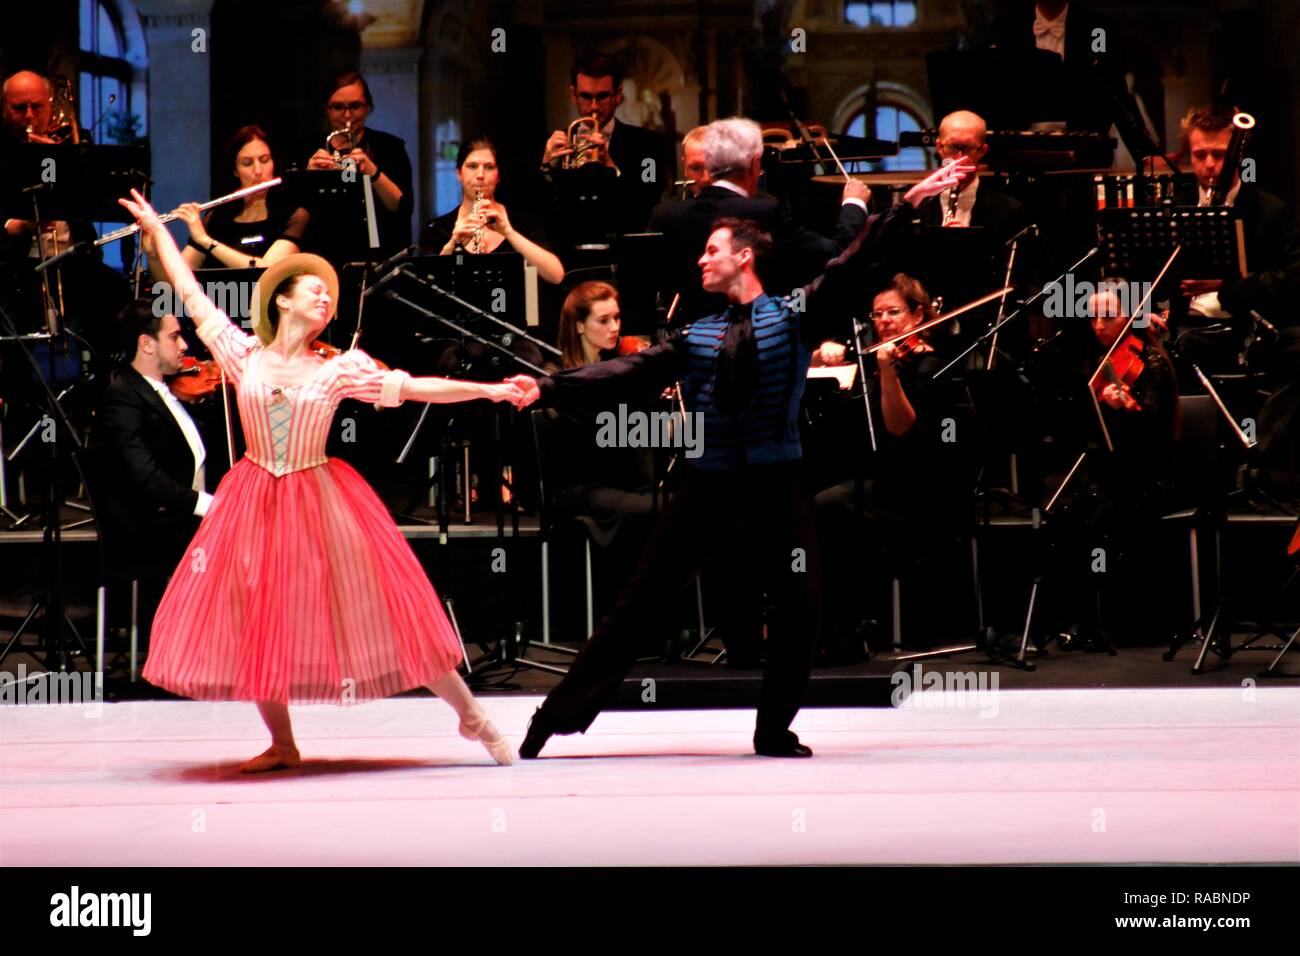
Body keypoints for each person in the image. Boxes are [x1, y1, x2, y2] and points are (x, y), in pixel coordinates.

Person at [512, 158, 968, 759]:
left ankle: (773, 727)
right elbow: (623, 371)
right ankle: (554, 718)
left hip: (778, 484)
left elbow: (856, 262)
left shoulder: (795, 314)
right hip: (707, 484)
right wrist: (547, 387)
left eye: (711, 250)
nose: (701, 260)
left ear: (744, 257)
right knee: (639, 604)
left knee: (802, 604)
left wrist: (907, 204)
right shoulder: (696, 335)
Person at [118, 187, 531, 772]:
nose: (326, 300)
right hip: (255, 495)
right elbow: (188, 291)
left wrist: (488, 389)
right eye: (316, 290)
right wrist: (155, 230)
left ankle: (471, 715)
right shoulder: (241, 354)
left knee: (385, 604)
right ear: (282, 300)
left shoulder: (340, 368)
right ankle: (283, 742)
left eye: (331, 297)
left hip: (320, 495)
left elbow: (415, 387)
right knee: (253, 614)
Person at [813, 274, 968, 656]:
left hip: (914, 490)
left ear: (917, 316)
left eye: (893, 312)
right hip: (870, 479)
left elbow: (900, 426)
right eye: (877, 314)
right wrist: (821, 357)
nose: (883, 321)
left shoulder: (930, 365)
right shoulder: (874, 358)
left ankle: (842, 629)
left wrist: (887, 372)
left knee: (827, 506)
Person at [649, 117, 873, 321]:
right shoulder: (765, 211)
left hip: (693, 344)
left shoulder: (667, 215)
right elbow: (837, 254)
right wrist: (854, 203)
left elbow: (648, 283)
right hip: (757, 340)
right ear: (755, 162)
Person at [94, 300, 212, 611]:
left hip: (182, 519)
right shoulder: (122, 399)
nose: (185, 345)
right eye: (174, 337)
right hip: (152, 531)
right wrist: (206, 504)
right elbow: (146, 477)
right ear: (146, 344)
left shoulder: (177, 391)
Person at [540, 51, 673, 241]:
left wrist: (612, 168)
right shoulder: (550, 143)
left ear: (618, 95)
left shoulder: (647, 145)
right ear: (573, 95)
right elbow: (533, 207)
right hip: (565, 253)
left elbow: (649, 199)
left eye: (602, 97)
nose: (594, 107)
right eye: (585, 96)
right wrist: (545, 165)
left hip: (621, 249)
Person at [148, 125, 308, 273]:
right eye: (247, 163)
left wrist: (206, 241)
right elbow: (177, 281)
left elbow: (268, 271)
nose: (258, 170)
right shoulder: (217, 217)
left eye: (264, 160)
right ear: (235, 170)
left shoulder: (293, 215)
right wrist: (153, 252)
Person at [420, 138, 564, 284]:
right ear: (459, 174)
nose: (480, 175)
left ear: (498, 176)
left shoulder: (523, 222)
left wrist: (509, 233)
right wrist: (452, 245)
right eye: (472, 166)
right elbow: (424, 290)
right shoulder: (437, 229)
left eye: (489, 167)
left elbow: (556, 276)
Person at [304, 70, 413, 258]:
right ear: (326, 110)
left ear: (367, 107)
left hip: (378, 253)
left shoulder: (390, 147)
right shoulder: (308, 149)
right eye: (338, 107)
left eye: (355, 106)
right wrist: (308, 178)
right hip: (322, 252)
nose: (347, 115)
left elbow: (403, 209)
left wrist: (373, 172)